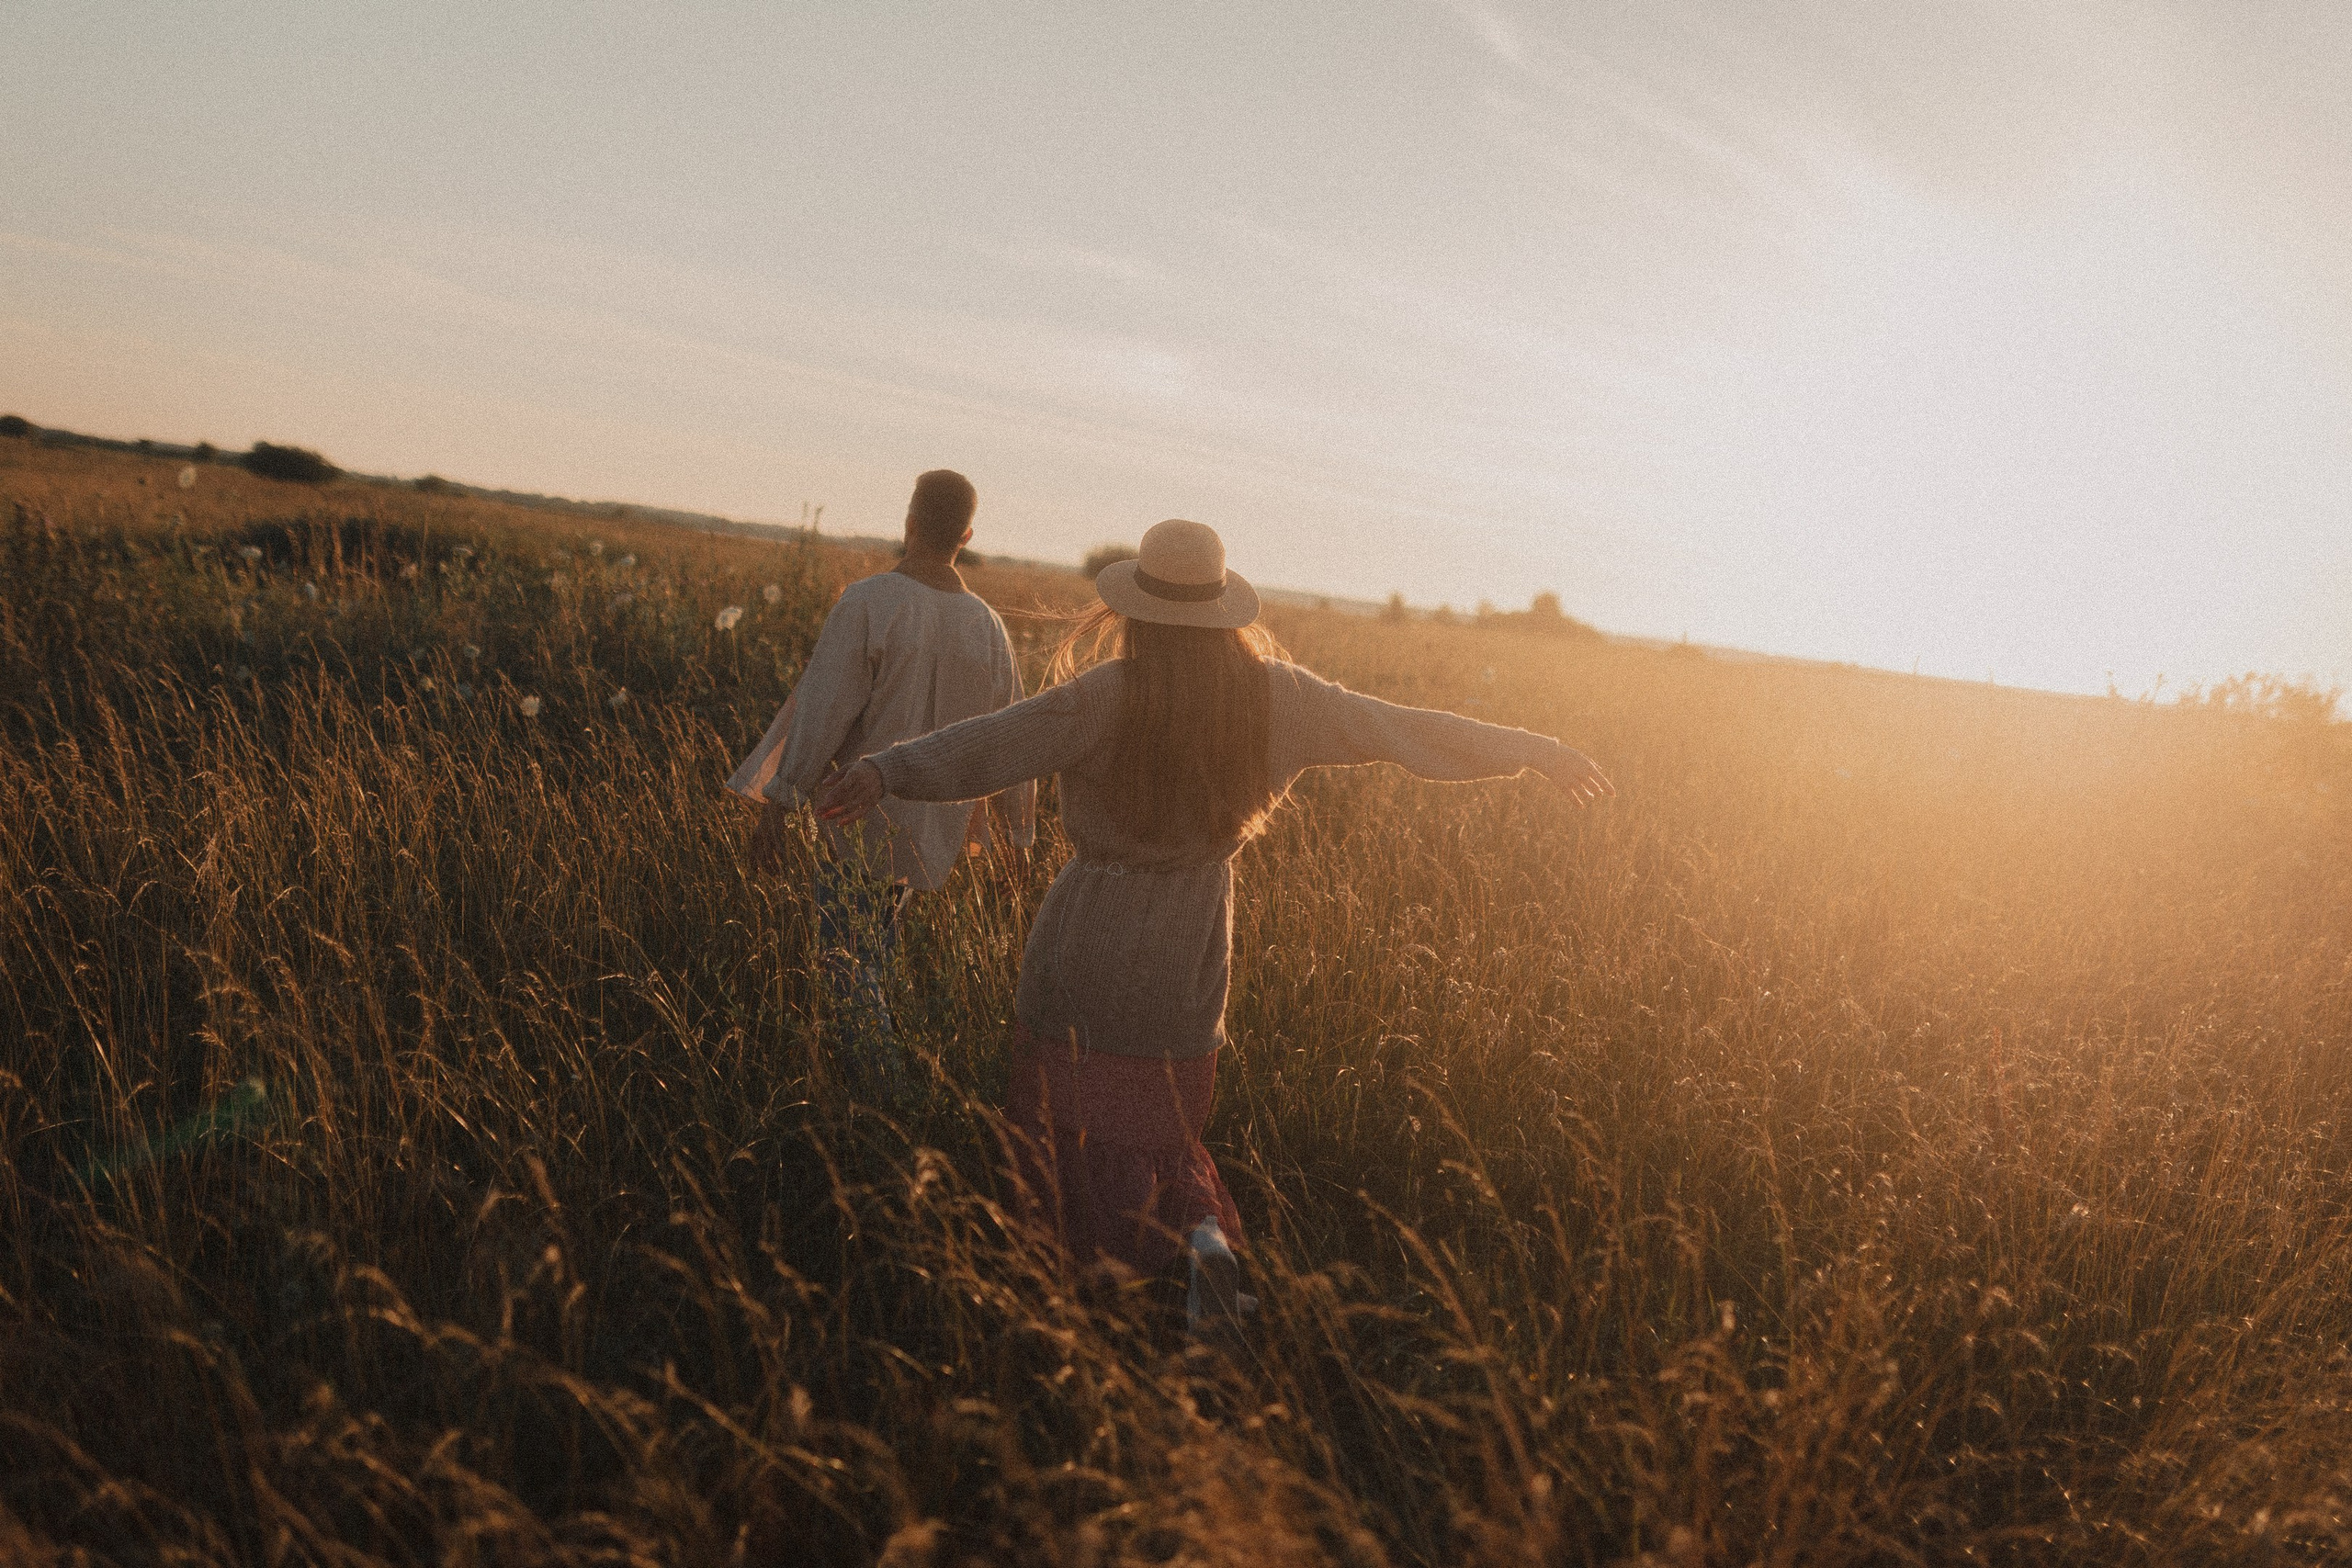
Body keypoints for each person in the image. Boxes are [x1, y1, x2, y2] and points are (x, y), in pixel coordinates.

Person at [815, 519, 1612, 1332]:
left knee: (1060, 1135)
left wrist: (886, 770)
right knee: (1161, 1138)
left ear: (1140, 609)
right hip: (1191, 959)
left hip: (1085, 942)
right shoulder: (1282, 697)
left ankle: (1064, 1318)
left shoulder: (1106, 695)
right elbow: (1403, 729)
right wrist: (1533, 748)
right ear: (1222, 608)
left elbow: (991, 745)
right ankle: (1202, 1246)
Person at [729, 469, 1034, 1100]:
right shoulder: (990, 629)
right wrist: (1016, 837)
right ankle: (880, 1088)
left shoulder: (869, 601)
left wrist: (777, 806)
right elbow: (1013, 741)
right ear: (968, 534)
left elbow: (822, 708)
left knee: (846, 964)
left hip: (854, 816)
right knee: (872, 954)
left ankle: (885, 1100)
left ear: (910, 523)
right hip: (931, 831)